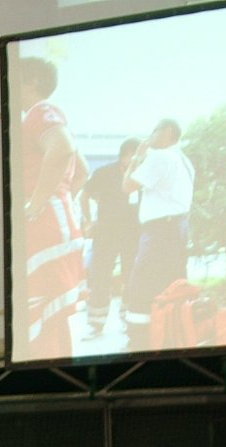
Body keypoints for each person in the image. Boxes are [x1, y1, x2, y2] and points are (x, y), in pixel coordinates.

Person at [15, 56, 89, 362]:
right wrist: (56, 200)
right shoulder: (45, 118)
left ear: (31, 82)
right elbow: (82, 171)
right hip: (56, 223)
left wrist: (36, 203)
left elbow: (63, 148)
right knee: (49, 319)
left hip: (44, 226)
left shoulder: (39, 112)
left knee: (39, 317)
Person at [121, 118, 194, 351]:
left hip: (160, 231)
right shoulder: (183, 159)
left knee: (140, 284)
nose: (150, 135)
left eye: (155, 130)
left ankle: (138, 340)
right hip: (178, 229)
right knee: (172, 285)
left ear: (169, 133)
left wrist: (136, 158)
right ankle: (169, 335)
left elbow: (128, 186)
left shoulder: (160, 156)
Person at [79, 137, 141, 340]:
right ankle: (95, 324)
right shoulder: (104, 172)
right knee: (100, 277)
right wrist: (88, 221)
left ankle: (127, 320)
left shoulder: (142, 174)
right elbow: (84, 195)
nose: (137, 159)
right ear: (124, 155)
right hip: (106, 231)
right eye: (133, 154)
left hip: (132, 233)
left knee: (130, 276)